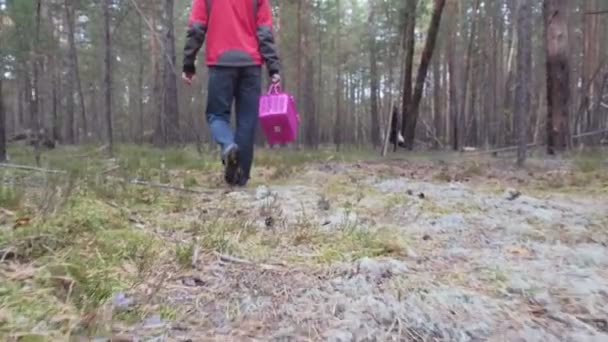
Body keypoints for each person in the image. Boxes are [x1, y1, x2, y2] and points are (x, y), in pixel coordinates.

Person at [182, 0, 281, 187]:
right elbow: (265, 30)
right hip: (251, 64)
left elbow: (196, 27)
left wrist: (188, 63)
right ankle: (240, 179)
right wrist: (273, 67)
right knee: (247, 121)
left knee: (216, 115)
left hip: (221, 62)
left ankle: (228, 145)